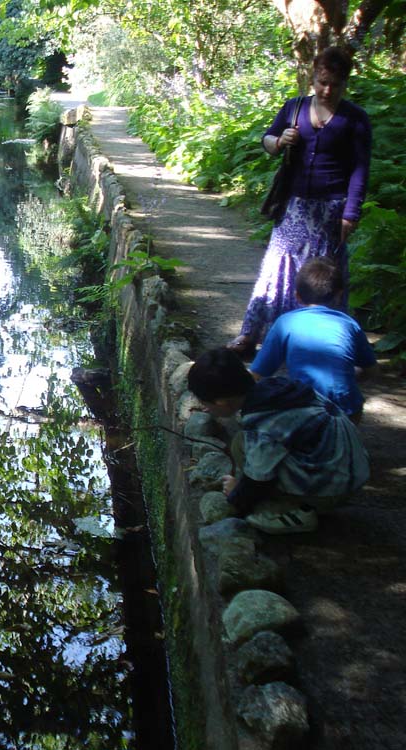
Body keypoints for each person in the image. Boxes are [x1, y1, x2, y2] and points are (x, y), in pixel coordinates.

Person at [227, 46, 372, 357]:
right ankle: (251, 334)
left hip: (331, 209)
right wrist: (279, 141)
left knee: (322, 277)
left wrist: (351, 213)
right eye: (321, 82)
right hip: (294, 206)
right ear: (313, 78)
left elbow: (361, 170)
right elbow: (267, 140)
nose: (327, 90)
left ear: (345, 83)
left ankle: (320, 343)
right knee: (276, 268)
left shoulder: (355, 120)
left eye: (334, 84)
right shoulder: (294, 108)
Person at [187, 347, 369, 534]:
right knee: (242, 443)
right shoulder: (277, 388)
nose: (205, 408)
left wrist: (236, 495)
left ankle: (294, 512)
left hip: (333, 489)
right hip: (352, 469)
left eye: (205, 402)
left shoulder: (263, 424)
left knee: (246, 459)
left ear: (220, 402)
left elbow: (258, 479)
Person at [250, 257, 377, 422]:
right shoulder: (349, 323)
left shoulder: (286, 322)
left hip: (305, 407)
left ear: (297, 296)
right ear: (339, 295)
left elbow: (258, 373)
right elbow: (372, 370)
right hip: (347, 410)